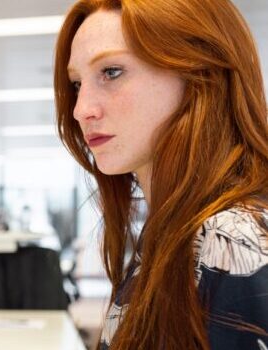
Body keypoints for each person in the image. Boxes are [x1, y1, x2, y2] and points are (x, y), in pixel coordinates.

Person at [54, 0, 268, 349]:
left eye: (111, 72)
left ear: (200, 71)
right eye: (77, 84)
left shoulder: (230, 237)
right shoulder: (173, 232)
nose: (80, 110)